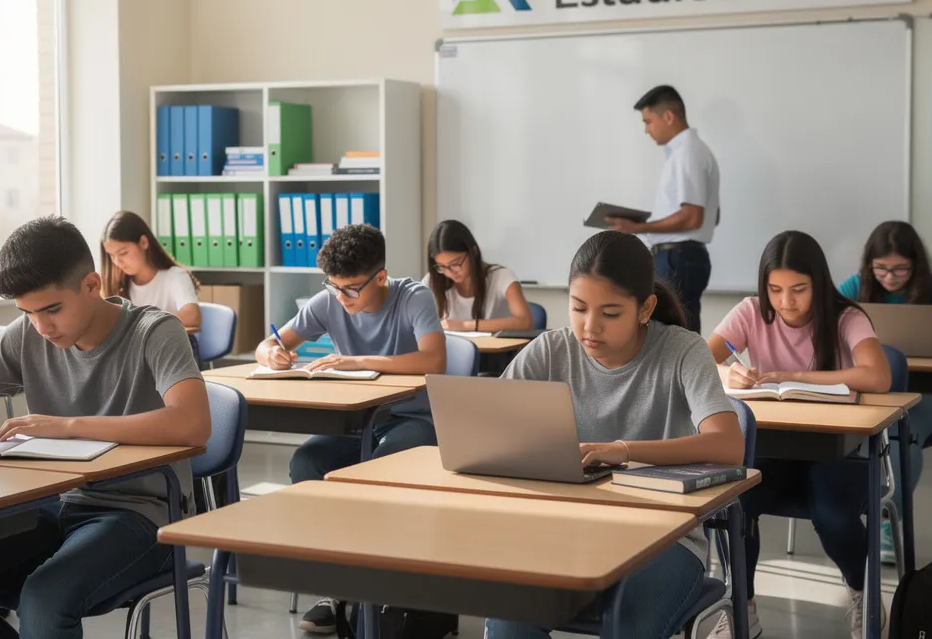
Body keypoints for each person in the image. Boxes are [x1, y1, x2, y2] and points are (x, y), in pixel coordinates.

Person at [0, 216, 211, 639]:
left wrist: (69, 426)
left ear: (91, 285)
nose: (41, 327)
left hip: (142, 514)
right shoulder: (26, 334)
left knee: (44, 598)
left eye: (52, 309)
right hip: (57, 504)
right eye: (27, 313)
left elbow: (193, 424)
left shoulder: (155, 331)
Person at [485, 231, 742, 639]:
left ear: (645, 308)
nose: (589, 327)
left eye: (610, 313)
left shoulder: (683, 351)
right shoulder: (551, 350)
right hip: (568, 526)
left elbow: (728, 445)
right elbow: (485, 420)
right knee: (507, 617)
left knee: (629, 624)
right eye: (578, 308)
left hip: (665, 536)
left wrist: (622, 451)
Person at [253, 223, 446, 633]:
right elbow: (269, 343)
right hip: (358, 421)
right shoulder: (330, 300)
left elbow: (433, 360)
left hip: (414, 421)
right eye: (334, 287)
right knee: (307, 463)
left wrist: (358, 361)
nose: (341, 298)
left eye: (351, 289)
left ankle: (381, 590)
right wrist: (272, 354)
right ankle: (339, 586)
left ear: (381, 277)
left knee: (377, 470)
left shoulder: (414, 297)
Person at [707, 230, 891, 639]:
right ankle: (742, 607)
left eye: (798, 290)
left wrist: (794, 375)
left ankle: (862, 591)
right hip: (776, 449)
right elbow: (700, 362)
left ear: (819, 285)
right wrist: (728, 371)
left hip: (838, 452)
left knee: (831, 513)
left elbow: (878, 375)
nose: (785, 302)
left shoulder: (847, 317)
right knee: (731, 500)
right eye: (774, 289)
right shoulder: (751, 311)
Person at [842, 220, 932, 565]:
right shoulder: (855, 285)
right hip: (872, 393)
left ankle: (886, 519)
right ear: (870, 263)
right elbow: (824, 328)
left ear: (916, 265)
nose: (890, 277)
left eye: (900, 269)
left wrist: (875, 341)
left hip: (927, 396)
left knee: (900, 427)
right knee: (853, 428)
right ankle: (846, 511)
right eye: (881, 268)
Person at [605, 85, 719, 333]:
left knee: (674, 333)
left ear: (668, 116)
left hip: (678, 257)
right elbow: (712, 215)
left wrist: (638, 227)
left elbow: (692, 217)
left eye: (648, 121)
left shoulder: (687, 153)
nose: (646, 129)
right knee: (675, 331)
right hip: (681, 256)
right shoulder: (690, 152)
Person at [421, 219, 533, 332]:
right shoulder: (432, 280)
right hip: (450, 349)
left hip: (494, 349)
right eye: (442, 267)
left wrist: (465, 326)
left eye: (455, 264)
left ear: (473, 252)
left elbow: (525, 321)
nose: (450, 272)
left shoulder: (501, 276)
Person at [100, 210, 201, 332]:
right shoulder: (118, 284)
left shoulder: (174, 276)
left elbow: (192, 316)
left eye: (123, 253)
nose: (117, 262)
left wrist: (141, 327)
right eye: (111, 255)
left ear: (143, 242)